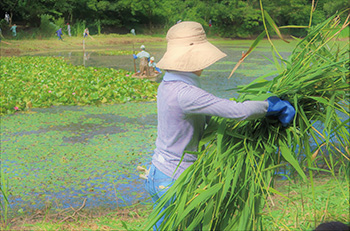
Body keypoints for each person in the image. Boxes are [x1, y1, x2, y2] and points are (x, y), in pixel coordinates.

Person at [143, 21, 296, 230]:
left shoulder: (167, 84)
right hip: (173, 180)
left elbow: (211, 117)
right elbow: (238, 111)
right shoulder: (185, 93)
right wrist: (270, 105)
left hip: (158, 172)